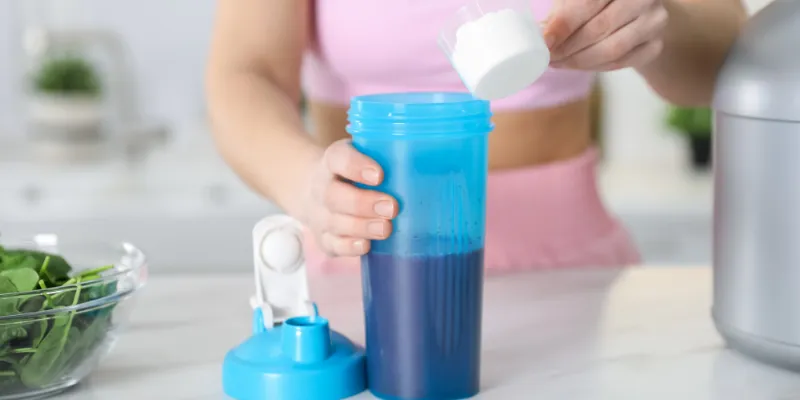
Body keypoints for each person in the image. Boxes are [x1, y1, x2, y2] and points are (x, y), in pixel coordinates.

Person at [206, 0, 746, 273]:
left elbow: (727, 56)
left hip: (569, 266)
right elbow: (245, 72)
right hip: (365, 265)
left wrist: (658, 17)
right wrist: (307, 185)